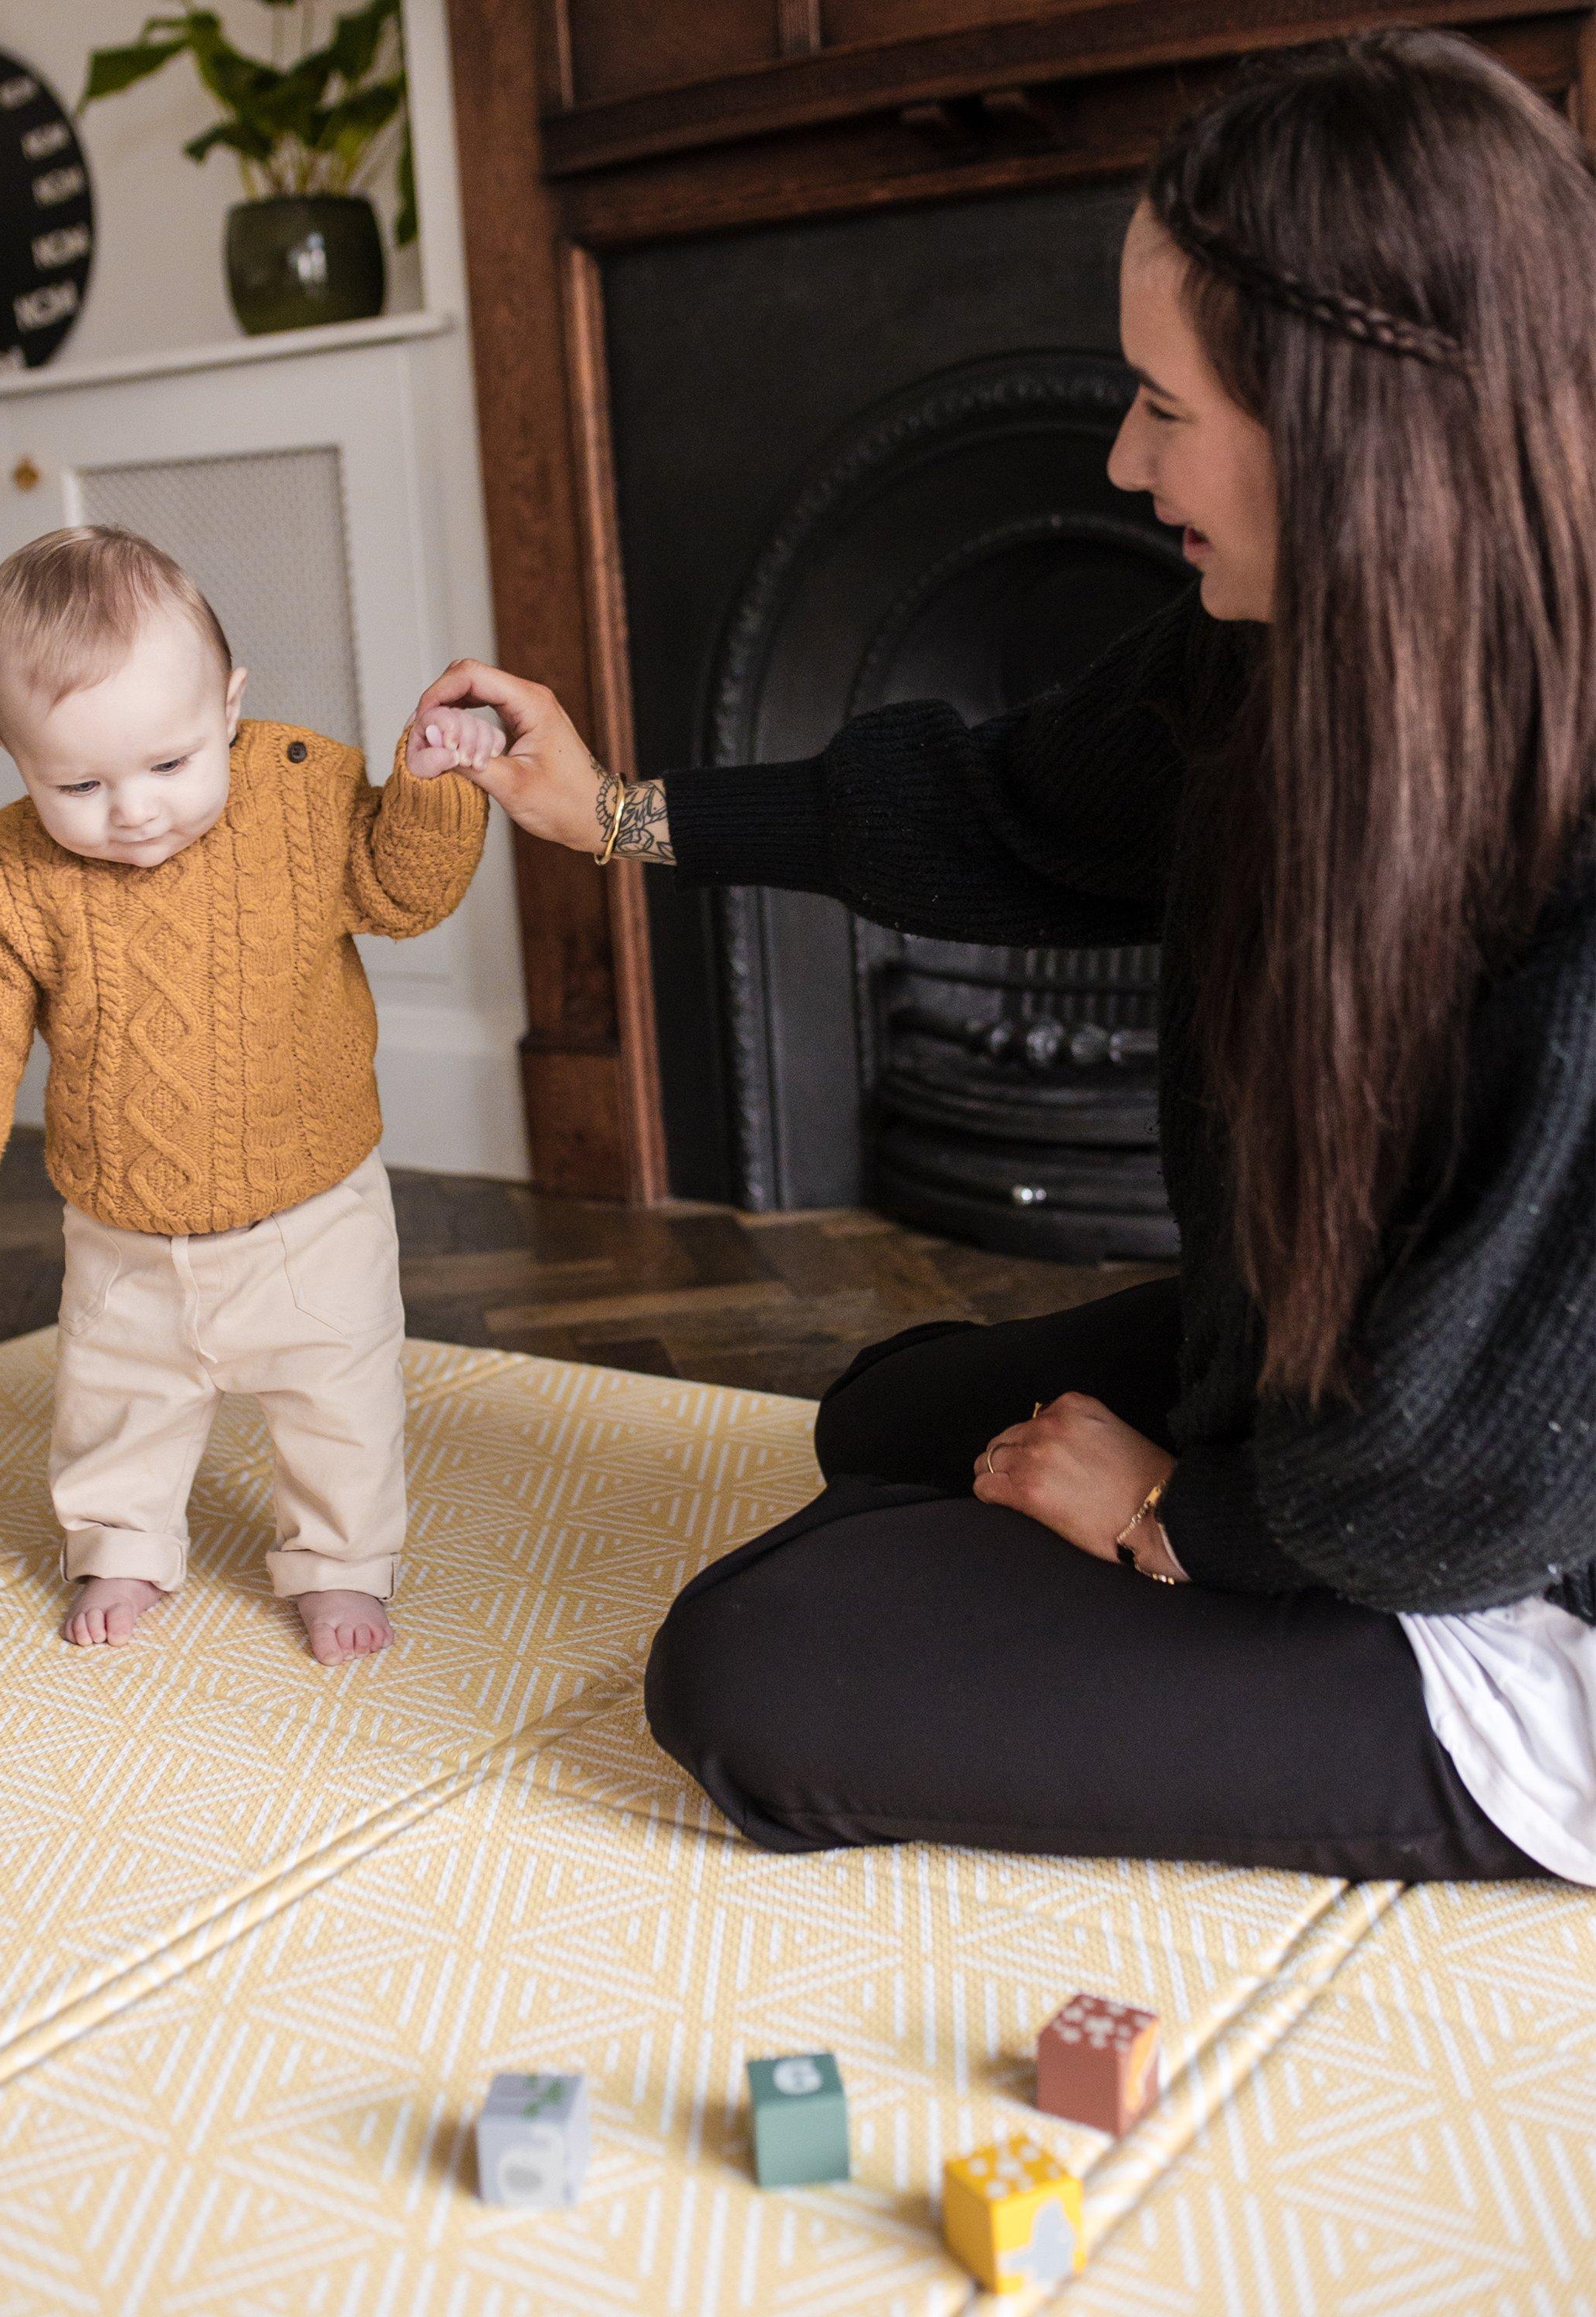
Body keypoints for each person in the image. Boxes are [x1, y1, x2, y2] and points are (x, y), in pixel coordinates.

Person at [409, 30, 1596, 1881]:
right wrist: (618, 814)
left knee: (754, 1667)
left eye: (1165, 407)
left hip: (1513, 1579)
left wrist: (1170, 1515)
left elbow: (1481, 1475)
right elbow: (1005, 808)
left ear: (1356, 434)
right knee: (885, 1421)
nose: (1123, 458)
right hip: (1356, 1383)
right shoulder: (1292, 645)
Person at [0, 527, 500, 1662]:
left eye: (169, 765)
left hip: (312, 1209)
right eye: (79, 783)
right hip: (121, 1224)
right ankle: (120, 1543)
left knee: (341, 1403)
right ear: (10, 752)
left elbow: (402, 892)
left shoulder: (301, 791)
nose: (133, 810)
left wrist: (430, 788)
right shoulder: (7, 871)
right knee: (117, 1399)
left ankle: (341, 1561)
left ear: (228, 706)